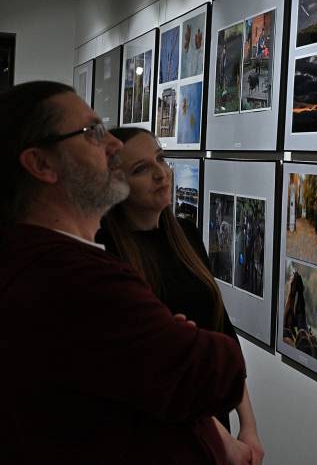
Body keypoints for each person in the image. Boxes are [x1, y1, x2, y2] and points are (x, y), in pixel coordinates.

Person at [0, 81, 246, 464]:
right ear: (42, 164)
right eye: (92, 132)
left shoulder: (38, 259)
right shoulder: (77, 280)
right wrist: (180, 342)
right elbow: (216, 372)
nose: (113, 145)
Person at [96, 127, 265, 464]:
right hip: (163, 434)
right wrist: (222, 441)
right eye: (141, 168)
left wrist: (248, 426)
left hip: (212, 417)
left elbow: (221, 330)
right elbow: (152, 367)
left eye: (160, 159)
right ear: (115, 184)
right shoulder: (108, 251)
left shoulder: (185, 235)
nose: (161, 173)